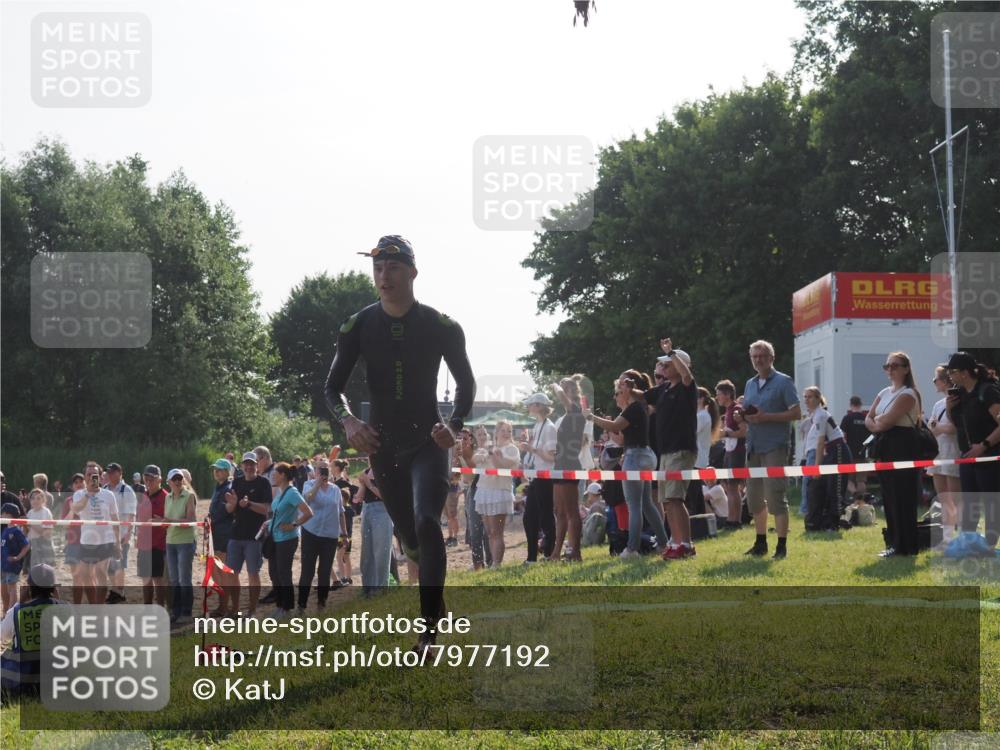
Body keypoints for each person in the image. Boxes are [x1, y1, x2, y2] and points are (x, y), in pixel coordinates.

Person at [324, 235, 476, 653]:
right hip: (382, 445)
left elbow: (465, 383)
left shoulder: (441, 325)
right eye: (377, 268)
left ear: (412, 271)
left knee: (428, 522)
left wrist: (454, 424)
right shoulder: (356, 326)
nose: (383, 276)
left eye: (392, 267)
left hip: (429, 440)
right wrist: (349, 421)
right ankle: (434, 599)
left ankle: (428, 633)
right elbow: (331, 388)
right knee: (408, 537)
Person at [587, 372, 669, 558]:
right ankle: (664, 542)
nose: (616, 396)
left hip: (635, 457)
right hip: (646, 455)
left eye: (618, 392)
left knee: (634, 506)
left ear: (626, 391)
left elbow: (616, 427)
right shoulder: (640, 408)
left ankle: (632, 549)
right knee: (647, 504)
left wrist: (592, 418)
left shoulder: (633, 408)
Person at [742, 340, 801, 559]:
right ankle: (760, 543)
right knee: (755, 498)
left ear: (771, 358)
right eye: (754, 356)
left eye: (762, 355)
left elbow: (796, 413)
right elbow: (752, 412)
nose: (758, 359)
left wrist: (766, 417)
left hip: (775, 446)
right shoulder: (749, 383)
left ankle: (782, 546)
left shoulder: (784, 382)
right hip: (754, 445)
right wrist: (742, 416)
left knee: (776, 495)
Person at [865, 351, 924, 557]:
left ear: (906, 369)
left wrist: (878, 422)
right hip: (885, 446)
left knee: (903, 497)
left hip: (903, 446)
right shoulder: (884, 392)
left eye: (895, 366)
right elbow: (869, 419)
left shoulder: (908, 394)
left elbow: (887, 421)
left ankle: (906, 546)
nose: (890, 370)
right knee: (889, 497)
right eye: (887, 366)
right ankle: (894, 543)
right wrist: (877, 423)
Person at [644, 339, 699, 560]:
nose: (664, 368)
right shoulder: (665, 389)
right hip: (666, 451)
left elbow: (687, 376)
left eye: (668, 364)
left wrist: (671, 352)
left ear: (680, 364)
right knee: (667, 500)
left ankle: (685, 544)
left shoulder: (687, 386)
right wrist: (626, 388)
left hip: (681, 449)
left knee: (676, 499)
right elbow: (643, 396)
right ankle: (676, 542)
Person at [946, 352, 1000, 549]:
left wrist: (984, 445)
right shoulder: (960, 395)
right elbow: (958, 425)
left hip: (989, 456)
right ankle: (968, 542)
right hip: (967, 457)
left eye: (952, 371)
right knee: (970, 502)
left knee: (991, 502)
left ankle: (991, 544)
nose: (949, 376)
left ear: (965, 373)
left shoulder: (987, 391)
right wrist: (949, 407)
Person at [0, 564, 62, 698]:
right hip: (57, 680)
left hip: (24, 683)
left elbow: (2, 636)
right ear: (54, 587)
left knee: (7, 654)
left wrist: (19, 604)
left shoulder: (18, 611)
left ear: (28, 587)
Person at [224, 452, 272, 618]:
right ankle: (235, 609)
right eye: (246, 464)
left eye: (252, 464)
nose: (249, 467)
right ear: (242, 465)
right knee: (232, 573)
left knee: (253, 573)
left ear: (257, 465)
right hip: (236, 534)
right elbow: (230, 509)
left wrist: (249, 504)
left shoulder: (263, 483)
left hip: (255, 536)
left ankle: (252, 610)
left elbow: (267, 509)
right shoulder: (236, 483)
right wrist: (233, 504)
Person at [802, 387, 852, 532]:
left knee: (835, 489)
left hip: (839, 451)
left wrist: (816, 467)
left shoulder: (821, 415)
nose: (806, 400)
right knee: (826, 488)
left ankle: (834, 524)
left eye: (810, 397)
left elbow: (820, 442)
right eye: (805, 397)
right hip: (830, 452)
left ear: (818, 398)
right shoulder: (814, 416)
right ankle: (824, 522)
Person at [299, 461, 346, 608]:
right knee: (307, 570)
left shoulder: (336, 489)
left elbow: (341, 512)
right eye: (321, 469)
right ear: (316, 471)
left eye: (327, 469)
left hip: (330, 536)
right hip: (310, 533)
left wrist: (344, 533)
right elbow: (306, 499)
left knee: (325, 571)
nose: (324, 472)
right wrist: (317, 484)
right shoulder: (309, 485)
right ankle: (301, 604)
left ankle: (322, 603)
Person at [269, 462, 313, 618]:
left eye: (275, 473)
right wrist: (267, 523)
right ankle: (280, 606)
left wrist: (294, 525)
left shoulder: (292, 492)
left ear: (283, 475)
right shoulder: (281, 492)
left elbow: (308, 512)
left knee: (283, 573)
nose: (273, 475)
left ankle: (286, 609)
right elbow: (278, 514)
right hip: (275, 538)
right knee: (274, 573)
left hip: (287, 539)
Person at [473, 420, 519, 567]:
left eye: (509, 431)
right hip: (484, 491)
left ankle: (497, 565)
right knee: (489, 532)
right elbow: (475, 459)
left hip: (500, 492)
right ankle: (494, 562)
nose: (506, 433)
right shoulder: (488, 446)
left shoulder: (512, 449)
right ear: (496, 432)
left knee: (496, 531)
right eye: (503, 430)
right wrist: (487, 453)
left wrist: (492, 455)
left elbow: (502, 465)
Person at [550, 377, 587, 562]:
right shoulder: (566, 416)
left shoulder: (577, 411)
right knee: (560, 512)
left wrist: (556, 384)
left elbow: (561, 396)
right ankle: (556, 553)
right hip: (559, 464)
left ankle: (575, 552)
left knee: (572, 512)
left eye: (566, 389)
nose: (562, 392)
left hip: (569, 465)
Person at [70, 468, 120, 604]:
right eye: (89, 474)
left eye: (95, 475)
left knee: (100, 572)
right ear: (85, 477)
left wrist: (118, 543)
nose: (92, 477)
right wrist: (88, 494)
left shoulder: (108, 495)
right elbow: (76, 509)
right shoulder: (79, 494)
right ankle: (95, 604)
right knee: (85, 575)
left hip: (106, 539)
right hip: (87, 540)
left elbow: (115, 519)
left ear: (99, 477)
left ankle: (99, 608)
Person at [518, 393, 557, 564]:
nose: (528, 407)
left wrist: (531, 449)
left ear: (539, 406)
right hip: (536, 477)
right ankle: (533, 556)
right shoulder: (538, 425)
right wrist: (529, 449)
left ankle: (548, 554)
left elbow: (552, 457)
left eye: (531, 404)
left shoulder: (549, 427)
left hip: (545, 477)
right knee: (530, 518)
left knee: (545, 517)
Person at [928, 366, 962, 547]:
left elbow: (954, 429)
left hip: (952, 451)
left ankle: (963, 535)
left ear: (946, 381)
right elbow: (931, 428)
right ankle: (947, 538)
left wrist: (938, 428)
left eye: (936, 380)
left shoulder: (958, 401)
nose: (934, 383)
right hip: (938, 451)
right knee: (943, 497)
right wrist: (938, 429)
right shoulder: (937, 404)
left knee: (956, 497)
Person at [163, 468, 197, 624]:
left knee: (184, 579)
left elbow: (190, 521)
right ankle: (176, 611)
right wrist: (161, 522)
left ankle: (186, 612)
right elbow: (168, 521)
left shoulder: (189, 496)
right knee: (174, 579)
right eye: (174, 479)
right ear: (169, 482)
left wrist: (169, 521)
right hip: (170, 542)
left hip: (185, 542)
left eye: (179, 478)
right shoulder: (168, 497)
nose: (177, 481)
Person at [357, 462, 394, 596]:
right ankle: (367, 588)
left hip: (382, 510)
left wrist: (369, 484)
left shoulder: (386, 469)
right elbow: (359, 497)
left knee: (381, 551)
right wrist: (362, 485)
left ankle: (381, 588)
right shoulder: (366, 471)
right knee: (367, 552)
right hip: (366, 510)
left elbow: (388, 496)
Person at [716, 379, 747, 529]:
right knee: (729, 486)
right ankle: (732, 518)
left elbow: (744, 431)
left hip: (737, 451)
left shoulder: (737, 409)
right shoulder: (728, 411)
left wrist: (726, 434)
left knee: (733, 486)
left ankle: (735, 520)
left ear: (727, 394)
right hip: (729, 450)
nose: (717, 398)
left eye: (719, 394)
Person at [207, 458, 236, 617]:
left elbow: (224, 511)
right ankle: (222, 605)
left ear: (227, 471)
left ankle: (224, 606)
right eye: (215, 469)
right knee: (217, 572)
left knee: (222, 572)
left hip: (224, 534)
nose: (216, 472)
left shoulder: (228, 488)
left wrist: (211, 518)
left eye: (219, 469)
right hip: (217, 533)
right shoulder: (219, 487)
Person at [686, 386, 721, 517]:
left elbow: (690, 433)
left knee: (694, 493)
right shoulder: (701, 415)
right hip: (697, 458)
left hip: (697, 458)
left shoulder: (702, 416)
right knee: (695, 492)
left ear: (700, 399)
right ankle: (699, 518)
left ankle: (699, 519)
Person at [104, 462, 137, 605]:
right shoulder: (104, 489)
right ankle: (116, 591)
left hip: (122, 533)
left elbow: (131, 514)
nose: (109, 475)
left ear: (119, 473)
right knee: (109, 566)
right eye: (108, 472)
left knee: (119, 565)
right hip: (106, 534)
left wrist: (129, 533)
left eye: (112, 472)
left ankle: (119, 591)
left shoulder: (127, 490)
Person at [461, 428, 492, 571]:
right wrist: (463, 458)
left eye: (484, 434)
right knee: (475, 530)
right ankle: (478, 564)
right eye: (479, 434)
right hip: (474, 491)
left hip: (490, 491)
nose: (482, 436)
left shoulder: (493, 450)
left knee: (488, 531)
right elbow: (467, 477)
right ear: (474, 438)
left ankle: (491, 562)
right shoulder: (470, 453)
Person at [136, 465, 167, 607]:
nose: (148, 481)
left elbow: (168, 521)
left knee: (158, 579)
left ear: (160, 479)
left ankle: (161, 608)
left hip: (158, 544)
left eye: (152, 478)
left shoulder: (165, 497)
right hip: (144, 544)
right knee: (145, 579)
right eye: (146, 478)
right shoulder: (144, 496)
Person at [61, 473, 87, 604]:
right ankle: (77, 607)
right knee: (76, 577)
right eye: (76, 482)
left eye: (81, 481)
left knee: (89, 577)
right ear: (72, 486)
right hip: (73, 543)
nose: (79, 484)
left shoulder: (91, 499)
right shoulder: (68, 501)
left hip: (90, 543)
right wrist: (72, 510)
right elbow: (64, 524)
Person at [1, 504, 29, 616]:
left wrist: (18, 557)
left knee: (12, 588)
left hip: (13, 565)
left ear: (8, 515)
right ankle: (8, 612)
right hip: (3, 565)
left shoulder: (16, 531)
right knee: (6, 588)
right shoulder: (5, 530)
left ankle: (12, 613)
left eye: (2, 513)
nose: (1, 516)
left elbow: (26, 546)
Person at [840, 396, 871, 498]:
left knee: (848, 479)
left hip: (849, 454)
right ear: (860, 404)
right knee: (861, 480)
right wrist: (865, 445)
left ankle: (855, 495)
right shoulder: (866, 418)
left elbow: (842, 436)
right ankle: (861, 501)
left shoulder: (847, 418)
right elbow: (872, 436)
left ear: (851, 404)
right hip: (862, 453)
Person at [24, 490, 54, 569]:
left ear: (43, 500)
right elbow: (27, 531)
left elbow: (46, 533)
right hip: (31, 544)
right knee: (32, 571)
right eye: (33, 498)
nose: (35, 501)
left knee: (43, 571)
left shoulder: (46, 512)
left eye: (38, 498)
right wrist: (24, 525)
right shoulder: (30, 512)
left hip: (43, 546)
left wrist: (31, 523)